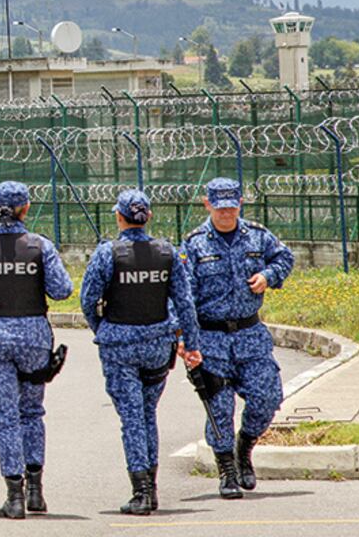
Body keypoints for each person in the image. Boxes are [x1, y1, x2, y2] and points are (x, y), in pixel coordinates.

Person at [0, 181, 73, 520]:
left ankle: (13, 495)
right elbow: (62, 289)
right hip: (33, 335)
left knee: (5, 418)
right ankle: (36, 491)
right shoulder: (40, 246)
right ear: (27, 208)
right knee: (32, 412)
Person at [80, 190, 203, 515]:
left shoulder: (108, 253)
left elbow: (87, 300)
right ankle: (151, 487)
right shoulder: (167, 252)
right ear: (148, 217)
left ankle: (141, 492)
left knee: (132, 419)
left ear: (119, 217)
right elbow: (185, 304)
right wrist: (191, 344)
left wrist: (103, 330)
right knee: (147, 415)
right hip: (157, 344)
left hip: (119, 346)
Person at [181, 178, 294, 499]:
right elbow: (183, 295)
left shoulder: (257, 235)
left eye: (232, 206)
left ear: (240, 203)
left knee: (267, 397)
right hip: (211, 338)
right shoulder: (194, 243)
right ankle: (227, 471)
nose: (227, 213)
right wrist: (184, 339)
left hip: (250, 334)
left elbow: (284, 258)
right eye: (220, 208)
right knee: (219, 408)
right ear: (207, 205)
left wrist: (268, 277)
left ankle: (245, 446)